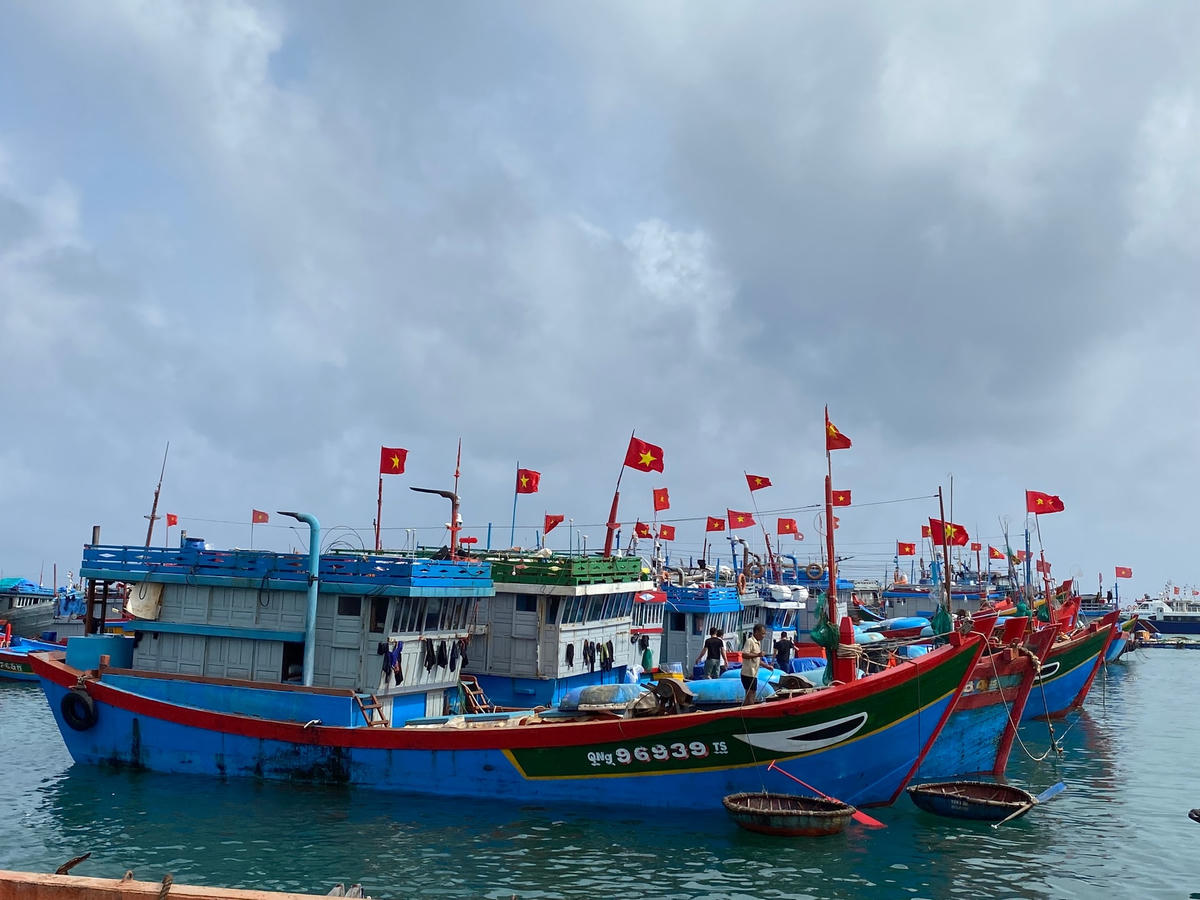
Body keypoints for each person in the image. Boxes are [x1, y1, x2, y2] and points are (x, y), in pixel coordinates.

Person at [741, 624, 772, 705]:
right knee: (751, 693)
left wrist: (767, 666)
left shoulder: (758, 643)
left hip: (754, 673)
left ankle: (745, 711)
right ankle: (750, 711)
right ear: (756, 632)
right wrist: (758, 654)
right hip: (748, 673)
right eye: (762, 633)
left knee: (751, 693)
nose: (764, 636)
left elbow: (757, 659)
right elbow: (744, 655)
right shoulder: (750, 641)